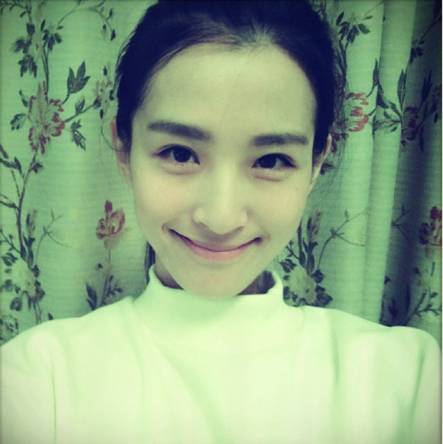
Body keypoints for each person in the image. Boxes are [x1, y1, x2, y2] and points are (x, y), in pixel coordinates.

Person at [1, 1, 440, 443]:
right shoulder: (39, 380)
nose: (220, 218)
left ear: (316, 162)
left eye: (271, 160)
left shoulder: (406, 380)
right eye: (179, 154)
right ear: (124, 149)